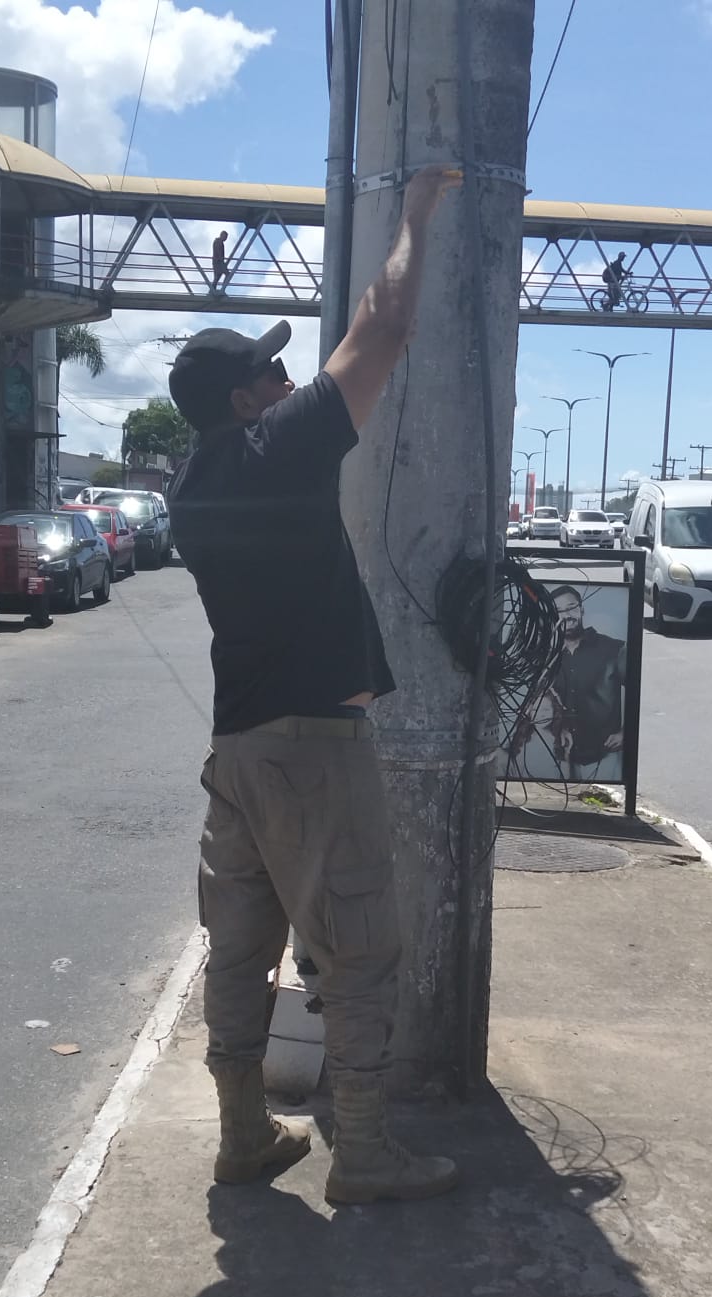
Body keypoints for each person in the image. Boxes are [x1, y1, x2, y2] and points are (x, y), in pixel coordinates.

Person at [167, 164, 462, 1206]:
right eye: (269, 373)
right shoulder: (272, 453)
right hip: (308, 751)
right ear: (245, 401)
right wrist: (413, 218)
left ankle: (245, 1137)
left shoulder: (193, 489)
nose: (289, 382)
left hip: (238, 754)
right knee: (358, 945)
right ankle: (368, 1157)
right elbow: (382, 329)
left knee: (241, 949)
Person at [546, 584, 626, 781]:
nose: (567, 615)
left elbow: (636, 692)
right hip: (562, 756)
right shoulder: (547, 655)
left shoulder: (613, 648)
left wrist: (625, 732)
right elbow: (541, 702)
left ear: (581, 609)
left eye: (572, 607)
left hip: (605, 755)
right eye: (560, 611)